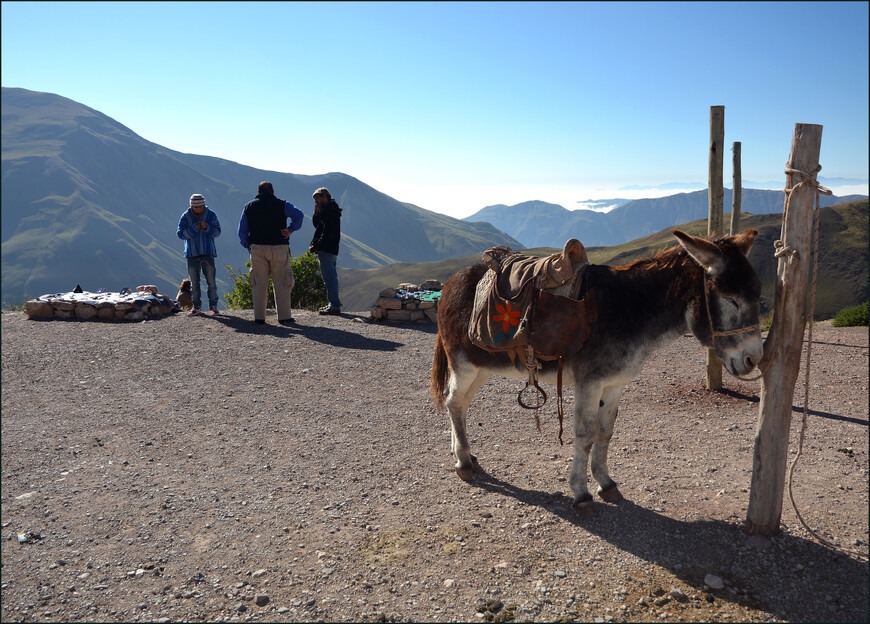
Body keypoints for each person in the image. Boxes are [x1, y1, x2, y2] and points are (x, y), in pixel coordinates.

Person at [238, 181, 304, 325]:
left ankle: (259, 317)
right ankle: (284, 317)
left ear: (258, 191)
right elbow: (299, 215)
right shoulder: (282, 204)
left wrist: (248, 245)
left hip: (257, 248)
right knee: (282, 282)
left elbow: (242, 231)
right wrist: (290, 229)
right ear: (273, 192)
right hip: (279, 247)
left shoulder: (249, 207)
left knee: (259, 283)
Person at [176, 193, 222, 315]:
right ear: (191, 206)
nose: (198, 209)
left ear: (204, 205)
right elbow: (181, 234)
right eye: (196, 207)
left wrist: (207, 227)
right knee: (194, 283)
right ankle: (197, 307)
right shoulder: (185, 216)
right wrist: (195, 227)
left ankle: (214, 306)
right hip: (192, 254)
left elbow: (217, 232)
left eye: (200, 207)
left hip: (208, 253)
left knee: (211, 282)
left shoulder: (211, 215)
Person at [309, 187, 342, 315]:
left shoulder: (330, 210)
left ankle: (334, 306)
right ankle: (333, 304)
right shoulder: (329, 209)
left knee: (329, 278)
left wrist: (318, 246)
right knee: (330, 277)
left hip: (327, 248)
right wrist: (316, 215)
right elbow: (318, 225)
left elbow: (326, 231)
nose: (316, 201)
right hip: (331, 247)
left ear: (325, 197)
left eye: (318, 198)